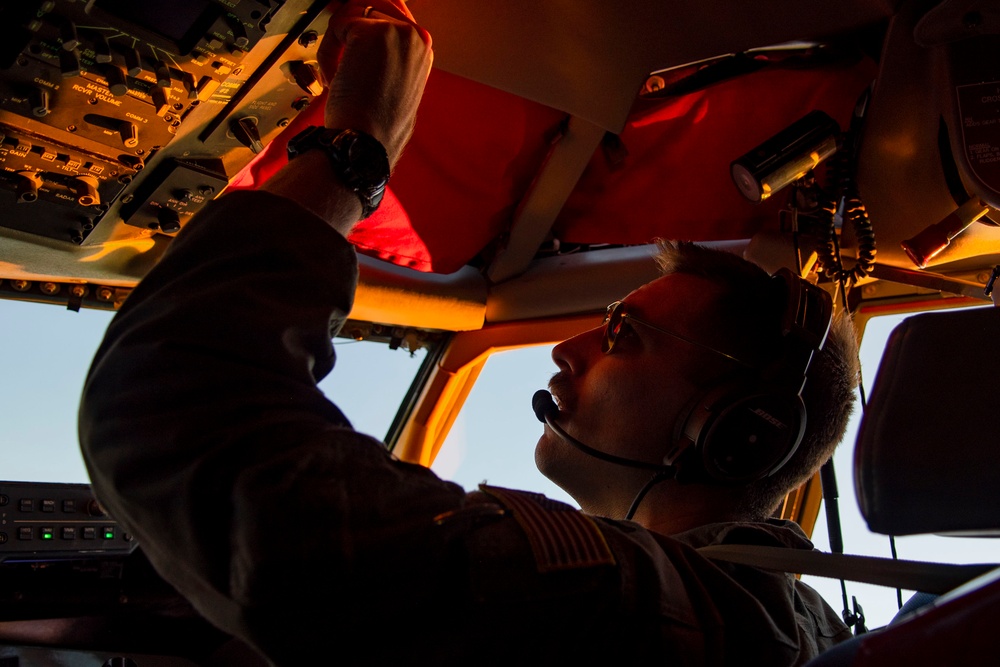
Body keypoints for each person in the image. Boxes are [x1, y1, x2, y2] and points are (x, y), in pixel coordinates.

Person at [79, 1, 860, 664]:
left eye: (624, 333)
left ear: (738, 434)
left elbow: (173, 407)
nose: (568, 347)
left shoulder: (635, 606)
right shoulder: (796, 627)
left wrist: (356, 151)